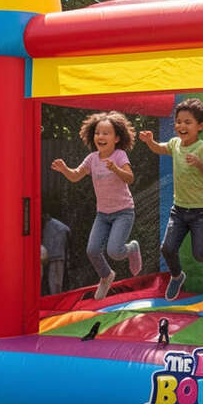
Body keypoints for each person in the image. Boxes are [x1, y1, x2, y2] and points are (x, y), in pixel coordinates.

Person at [51, 111, 143, 300]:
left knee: (115, 252)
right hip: (103, 214)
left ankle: (132, 248)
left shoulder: (120, 155)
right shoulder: (92, 159)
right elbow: (76, 176)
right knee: (92, 250)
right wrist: (64, 169)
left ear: (117, 138)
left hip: (123, 212)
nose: (100, 137)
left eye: (106, 133)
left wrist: (115, 169)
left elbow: (130, 178)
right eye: (97, 133)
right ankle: (106, 275)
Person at [139, 98, 203, 300]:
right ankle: (177, 276)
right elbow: (161, 148)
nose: (181, 126)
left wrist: (199, 164)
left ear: (200, 126)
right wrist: (150, 141)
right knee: (167, 248)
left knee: (200, 253)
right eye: (178, 121)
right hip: (179, 209)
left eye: (187, 122)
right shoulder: (175, 143)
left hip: (200, 211)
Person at [41, 213, 70, 294]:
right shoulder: (56, 226)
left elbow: (67, 230)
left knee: (55, 281)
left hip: (55, 255)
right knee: (55, 280)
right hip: (55, 255)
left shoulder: (56, 226)